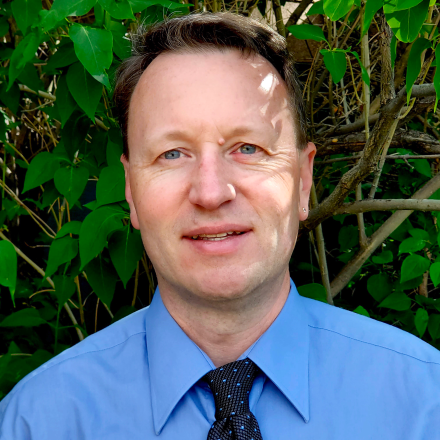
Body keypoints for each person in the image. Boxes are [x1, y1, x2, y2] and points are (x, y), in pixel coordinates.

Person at [1, 11, 440, 440]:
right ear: (132, 190)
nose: (210, 193)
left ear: (303, 181)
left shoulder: (423, 405)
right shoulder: (38, 421)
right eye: (172, 153)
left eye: (247, 148)